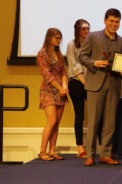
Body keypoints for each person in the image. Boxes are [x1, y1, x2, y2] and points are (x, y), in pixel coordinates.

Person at [79, 8, 122, 166]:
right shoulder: (93, 36)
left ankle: (106, 154)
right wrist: (94, 63)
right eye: (111, 21)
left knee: (110, 122)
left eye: (117, 22)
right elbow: (82, 56)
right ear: (105, 20)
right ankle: (90, 155)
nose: (114, 24)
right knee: (93, 122)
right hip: (95, 84)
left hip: (113, 84)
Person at [37, 28, 69, 161]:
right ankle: (42, 151)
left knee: (57, 123)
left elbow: (63, 72)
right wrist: (59, 87)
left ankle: (52, 151)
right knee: (52, 121)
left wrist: (65, 86)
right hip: (48, 91)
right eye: (56, 37)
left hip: (61, 91)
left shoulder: (59, 54)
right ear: (49, 38)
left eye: (60, 38)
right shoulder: (42, 53)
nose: (59, 40)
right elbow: (46, 74)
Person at [66, 19, 90, 159]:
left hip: (90, 82)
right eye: (83, 29)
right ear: (77, 30)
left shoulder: (91, 43)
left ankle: (100, 146)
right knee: (79, 115)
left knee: (95, 114)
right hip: (76, 82)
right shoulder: (71, 44)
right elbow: (74, 65)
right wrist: (84, 81)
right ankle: (80, 147)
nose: (86, 31)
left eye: (88, 28)